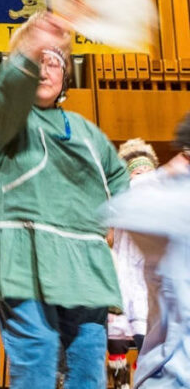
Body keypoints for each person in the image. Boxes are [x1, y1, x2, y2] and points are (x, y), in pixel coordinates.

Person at [0, 12, 127, 389]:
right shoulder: (7, 117)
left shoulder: (87, 132)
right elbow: (9, 91)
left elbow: (119, 181)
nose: (44, 70)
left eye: (53, 61)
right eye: (34, 61)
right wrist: (36, 42)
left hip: (84, 265)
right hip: (23, 259)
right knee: (39, 355)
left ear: (65, 75)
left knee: (88, 365)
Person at [106, 112, 190, 389]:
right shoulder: (161, 197)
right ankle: (121, 381)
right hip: (173, 370)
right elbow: (122, 207)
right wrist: (163, 174)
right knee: (124, 333)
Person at [106, 138, 156, 389]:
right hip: (123, 274)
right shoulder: (120, 197)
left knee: (149, 339)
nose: (143, 177)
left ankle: (144, 381)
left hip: (150, 278)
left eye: (148, 171)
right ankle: (122, 383)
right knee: (117, 342)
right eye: (137, 172)